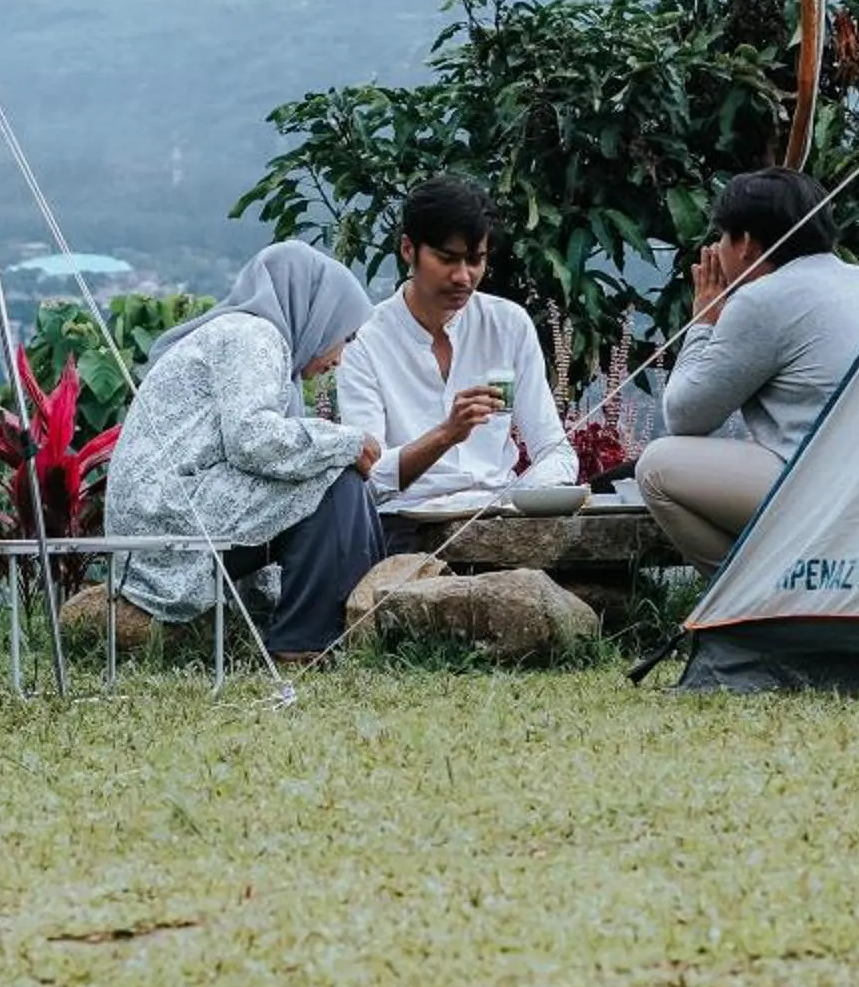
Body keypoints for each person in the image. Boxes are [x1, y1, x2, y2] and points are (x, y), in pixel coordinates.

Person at [105, 239, 387, 661]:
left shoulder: (243, 335)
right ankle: (305, 643)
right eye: (344, 335)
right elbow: (252, 440)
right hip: (167, 517)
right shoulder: (254, 336)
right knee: (337, 479)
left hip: (163, 514)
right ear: (317, 315)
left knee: (333, 472)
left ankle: (336, 630)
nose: (340, 356)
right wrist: (348, 441)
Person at [638, 168, 859, 571]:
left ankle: (754, 603)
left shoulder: (763, 298)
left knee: (657, 466)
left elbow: (685, 416)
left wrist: (704, 321)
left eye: (722, 237)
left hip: (829, 493)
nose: (717, 249)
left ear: (744, 244)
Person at [333, 177, 578, 512]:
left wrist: (525, 496)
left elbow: (554, 449)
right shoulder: (364, 339)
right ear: (408, 250)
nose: (463, 276)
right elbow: (368, 477)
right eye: (448, 259)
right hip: (404, 524)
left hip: (500, 518)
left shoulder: (508, 324)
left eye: (476, 259)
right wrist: (447, 434)